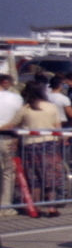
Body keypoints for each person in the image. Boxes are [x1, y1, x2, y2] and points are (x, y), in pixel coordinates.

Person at [2, 83, 66, 216]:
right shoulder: (51, 107)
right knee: (51, 177)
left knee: (34, 177)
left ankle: (36, 207)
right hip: (50, 144)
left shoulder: (25, 108)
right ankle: (52, 207)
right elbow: (58, 127)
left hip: (30, 145)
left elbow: (11, 125)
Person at [0, 74, 23, 216]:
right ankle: (5, 206)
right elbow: (19, 119)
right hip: (9, 137)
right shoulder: (15, 98)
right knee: (8, 174)